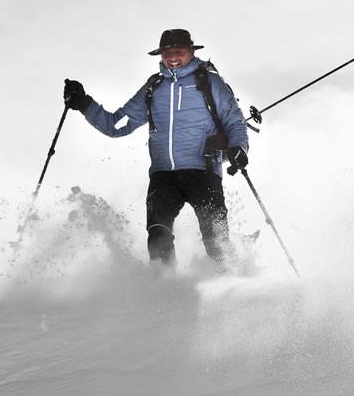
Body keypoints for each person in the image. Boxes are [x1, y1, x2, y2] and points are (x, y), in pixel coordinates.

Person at [62, 28, 250, 272]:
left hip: (203, 171)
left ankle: (235, 280)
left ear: (191, 52)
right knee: (157, 235)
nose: (172, 56)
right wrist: (83, 103)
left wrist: (238, 148)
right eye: (167, 52)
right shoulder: (154, 87)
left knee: (215, 239)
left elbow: (234, 120)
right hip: (163, 175)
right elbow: (115, 125)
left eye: (179, 51)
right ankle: (164, 290)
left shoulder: (209, 81)